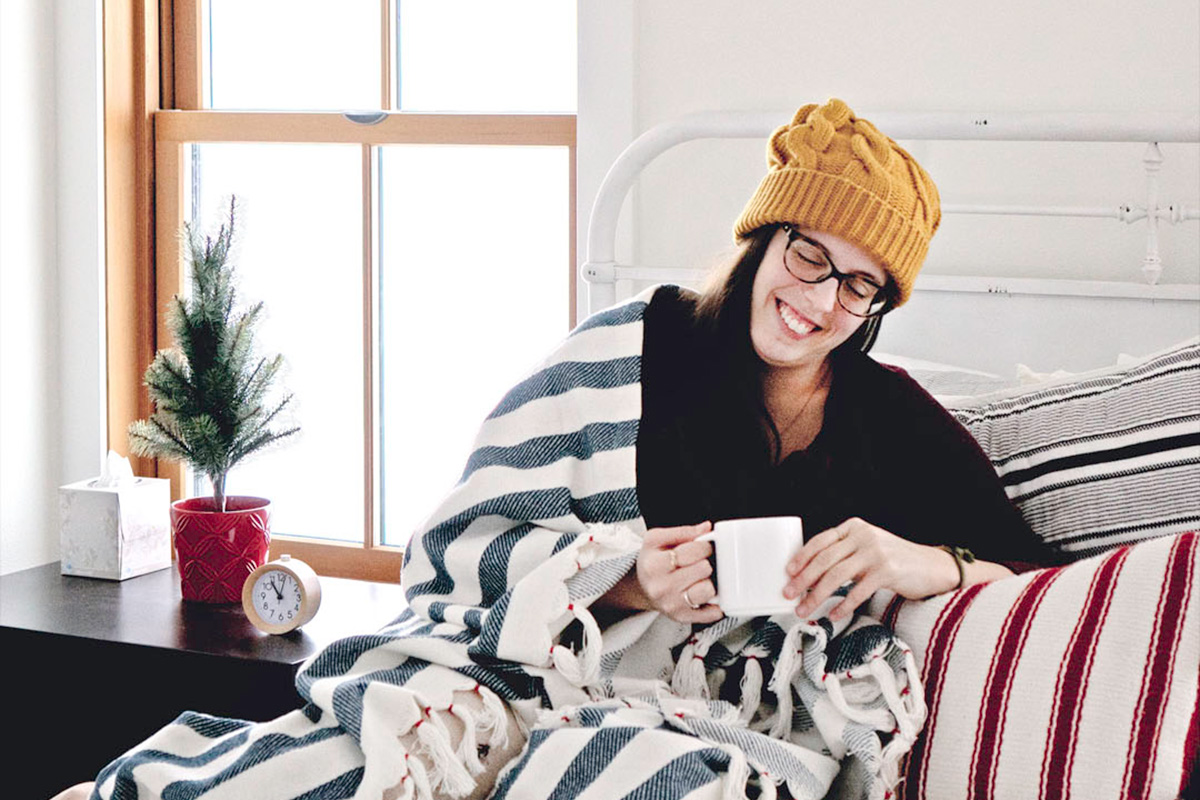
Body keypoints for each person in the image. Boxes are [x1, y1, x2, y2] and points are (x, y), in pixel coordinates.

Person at [55, 99, 1044, 800]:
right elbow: (459, 542)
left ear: (878, 308)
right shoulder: (632, 347)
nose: (821, 298)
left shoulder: (893, 419)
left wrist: (920, 559)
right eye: (809, 255)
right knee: (367, 753)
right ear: (766, 236)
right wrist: (621, 577)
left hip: (716, 711)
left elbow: (1030, 564)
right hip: (532, 669)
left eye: (859, 286)